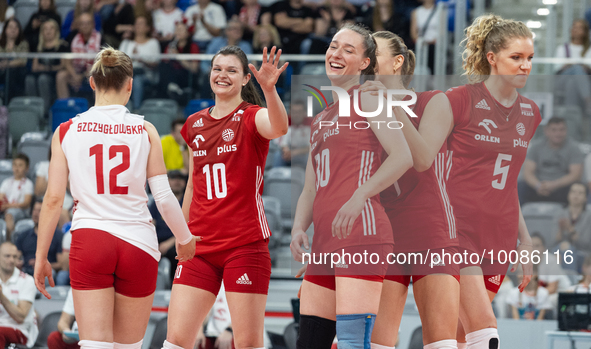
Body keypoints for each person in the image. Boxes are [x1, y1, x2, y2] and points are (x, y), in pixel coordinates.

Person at [34, 47, 198, 349]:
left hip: (90, 238)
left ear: (93, 82)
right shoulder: (145, 129)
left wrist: (42, 256)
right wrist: (184, 238)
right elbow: (162, 196)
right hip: (138, 242)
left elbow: (54, 199)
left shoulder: (66, 130)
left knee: (95, 344)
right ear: (130, 84)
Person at [290, 24, 413, 349]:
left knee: (352, 342)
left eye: (348, 49)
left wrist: (361, 194)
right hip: (325, 241)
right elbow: (310, 186)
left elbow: (403, 156)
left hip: (363, 235)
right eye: (333, 46)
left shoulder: (370, 99)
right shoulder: (321, 117)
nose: (336, 53)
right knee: (310, 343)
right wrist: (299, 228)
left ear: (364, 63)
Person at [162, 45, 288, 349]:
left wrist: (269, 90)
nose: (222, 75)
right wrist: (182, 235)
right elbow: (193, 184)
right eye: (217, 68)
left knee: (246, 342)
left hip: (244, 245)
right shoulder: (193, 124)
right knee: (177, 339)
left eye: (231, 70)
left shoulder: (251, 117)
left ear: (246, 79)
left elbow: (280, 127)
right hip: (200, 246)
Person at [445, 14, 541, 348]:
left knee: (461, 336)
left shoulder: (530, 113)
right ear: (492, 58)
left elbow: (507, 182)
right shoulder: (460, 100)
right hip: (456, 229)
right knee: (486, 333)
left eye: (529, 58)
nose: (525, 66)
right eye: (516, 58)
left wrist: (525, 240)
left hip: (497, 234)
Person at [358, 31, 460, 349]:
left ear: (397, 62)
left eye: (373, 52)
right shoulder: (360, 107)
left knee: (441, 343)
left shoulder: (434, 100)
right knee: (377, 344)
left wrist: (392, 105)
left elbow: (422, 159)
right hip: (382, 231)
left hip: (431, 228)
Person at [520, 117, 584, 205]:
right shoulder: (536, 147)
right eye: (554, 130)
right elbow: (527, 172)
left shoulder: (574, 148)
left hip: (561, 188)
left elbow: (575, 175)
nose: (558, 133)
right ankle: (517, 218)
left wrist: (553, 185)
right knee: (520, 187)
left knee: (576, 189)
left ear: (566, 131)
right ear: (546, 131)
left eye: (562, 130)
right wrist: (538, 185)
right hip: (538, 187)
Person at [15, 200, 68, 285]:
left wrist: (42, 264)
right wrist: (18, 262)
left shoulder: (58, 236)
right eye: (34, 210)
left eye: (39, 211)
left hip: (46, 272)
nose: (35, 214)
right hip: (26, 270)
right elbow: (16, 256)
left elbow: (61, 265)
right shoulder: (23, 235)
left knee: (46, 275)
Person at [148, 170, 187, 284]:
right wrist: (153, 244)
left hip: (177, 240)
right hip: (158, 240)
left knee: (176, 253)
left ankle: (174, 285)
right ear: (168, 181)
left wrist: (168, 244)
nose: (177, 182)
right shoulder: (158, 201)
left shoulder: (187, 202)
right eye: (173, 179)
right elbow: (151, 224)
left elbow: (189, 228)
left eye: (180, 179)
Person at [25, 19, 69, 114]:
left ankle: (45, 111)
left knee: (43, 79)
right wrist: (49, 67)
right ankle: (33, 111)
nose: (48, 31)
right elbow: (34, 67)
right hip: (40, 75)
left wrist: (46, 68)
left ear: (56, 31)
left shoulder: (62, 46)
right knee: (29, 79)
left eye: (51, 28)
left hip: (54, 77)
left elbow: (63, 66)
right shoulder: (39, 48)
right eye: (45, 29)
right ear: (42, 32)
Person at [0, 242, 38, 348]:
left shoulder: (27, 281)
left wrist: (1, 296)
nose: (11, 260)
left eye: (15, 256)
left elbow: (20, 317)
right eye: (7, 256)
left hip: (20, 330)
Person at [119, 14, 161, 110]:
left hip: (146, 74)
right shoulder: (126, 43)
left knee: (136, 81)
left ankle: (136, 109)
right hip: (128, 73)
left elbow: (156, 63)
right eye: (136, 23)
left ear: (147, 28)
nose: (138, 26)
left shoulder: (153, 43)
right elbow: (119, 62)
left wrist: (141, 59)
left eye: (141, 24)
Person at [56, 12, 102, 99]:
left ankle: (98, 108)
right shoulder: (72, 37)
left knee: (99, 77)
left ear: (93, 24)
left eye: (88, 23)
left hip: (93, 72)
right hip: (75, 71)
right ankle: (65, 108)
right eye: (82, 23)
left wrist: (85, 74)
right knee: (61, 76)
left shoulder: (100, 38)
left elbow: (102, 61)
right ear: (78, 25)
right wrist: (74, 75)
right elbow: (67, 60)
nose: (85, 26)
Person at [553, 19, 591, 115]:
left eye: (579, 28)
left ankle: (571, 115)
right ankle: (588, 100)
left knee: (572, 83)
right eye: (574, 27)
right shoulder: (562, 49)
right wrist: (577, 66)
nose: (575, 29)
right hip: (562, 80)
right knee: (577, 69)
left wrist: (572, 65)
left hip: (579, 82)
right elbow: (557, 69)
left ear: (585, 32)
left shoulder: (589, 50)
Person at [159, 20, 200, 103]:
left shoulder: (193, 46)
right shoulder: (170, 46)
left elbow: (194, 69)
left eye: (181, 30)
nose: (178, 32)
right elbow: (165, 64)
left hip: (187, 76)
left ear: (187, 33)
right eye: (176, 30)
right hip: (172, 77)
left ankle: (178, 91)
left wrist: (178, 56)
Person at [0, 153, 33, 239]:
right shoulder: (6, 182)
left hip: (21, 211)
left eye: (20, 165)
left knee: (9, 214)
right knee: (8, 213)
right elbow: (1, 197)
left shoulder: (28, 183)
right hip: (6, 209)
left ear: (27, 168)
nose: (16, 168)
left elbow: (26, 203)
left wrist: (7, 206)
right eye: (14, 165)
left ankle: (9, 242)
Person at [554, 183, 591, 253]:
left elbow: (586, 243)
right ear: (568, 195)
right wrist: (560, 230)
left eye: (580, 193)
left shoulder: (589, 216)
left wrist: (570, 229)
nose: (576, 195)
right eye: (573, 191)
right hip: (560, 250)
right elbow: (553, 241)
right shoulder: (560, 214)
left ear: (586, 198)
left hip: (582, 253)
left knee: (568, 250)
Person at [273, 100, 309, 168]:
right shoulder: (286, 125)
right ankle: (276, 176)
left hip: (303, 156)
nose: (296, 115)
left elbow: (311, 147)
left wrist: (294, 153)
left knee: (311, 156)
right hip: (289, 157)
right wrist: (286, 150)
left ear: (304, 113)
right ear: (290, 113)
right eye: (294, 112)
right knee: (278, 154)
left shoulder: (310, 127)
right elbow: (282, 143)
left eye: (299, 112)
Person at [0, 18, 29, 101]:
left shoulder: (23, 44)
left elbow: (23, 60)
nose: (13, 30)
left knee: (10, 73)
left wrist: (7, 64)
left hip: (16, 73)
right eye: (10, 27)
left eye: (16, 28)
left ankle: (8, 102)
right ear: (5, 29)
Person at [410, 0, 438, 74]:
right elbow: (413, 33)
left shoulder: (441, 11)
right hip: (421, 45)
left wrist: (431, 42)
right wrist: (421, 42)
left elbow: (442, 32)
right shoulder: (416, 12)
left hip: (434, 45)